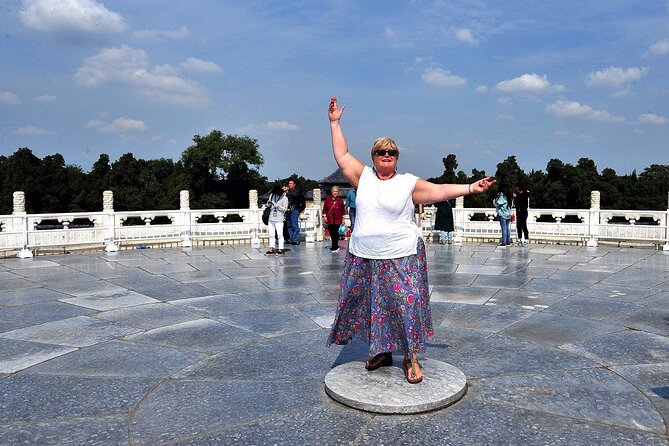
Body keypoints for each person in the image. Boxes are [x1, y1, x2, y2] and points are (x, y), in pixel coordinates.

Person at [325, 97, 494, 384]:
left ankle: (410, 355)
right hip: (365, 255)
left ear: (397, 157)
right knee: (372, 306)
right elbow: (342, 155)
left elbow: (439, 190)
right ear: (374, 156)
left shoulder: (407, 183)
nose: (386, 154)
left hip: (402, 254)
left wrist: (470, 188)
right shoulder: (362, 177)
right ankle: (381, 351)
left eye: (391, 151)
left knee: (406, 304)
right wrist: (334, 122)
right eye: (381, 151)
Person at [265, 184, 289, 255]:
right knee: (271, 234)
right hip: (271, 217)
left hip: (279, 218)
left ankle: (280, 248)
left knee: (280, 234)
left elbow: (284, 209)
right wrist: (268, 204)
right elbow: (269, 204)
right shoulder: (272, 195)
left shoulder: (285, 198)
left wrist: (276, 205)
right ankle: (271, 248)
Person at [323, 186, 346, 252]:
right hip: (330, 219)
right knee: (331, 233)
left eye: (336, 191)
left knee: (335, 233)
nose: (335, 193)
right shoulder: (328, 200)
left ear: (338, 192)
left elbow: (342, 210)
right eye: (334, 191)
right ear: (331, 192)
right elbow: (325, 209)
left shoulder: (340, 200)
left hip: (337, 219)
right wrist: (325, 216)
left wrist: (343, 218)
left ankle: (335, 246)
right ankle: (334, 245)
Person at [286, 179, 304, 245]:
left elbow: (295, 195)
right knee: (289, 225)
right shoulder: (286, 192)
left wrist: (288, 192)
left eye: (291, 183)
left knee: (294, 225)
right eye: (289, 183)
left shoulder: (296, 191)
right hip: (288, 210)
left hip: (294, 209)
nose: (290, 185)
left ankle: (295, 239)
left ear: (294, 184)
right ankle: (291, 239)